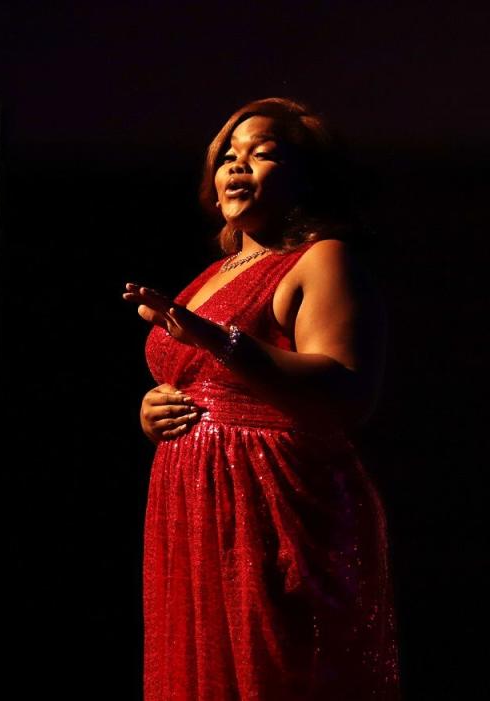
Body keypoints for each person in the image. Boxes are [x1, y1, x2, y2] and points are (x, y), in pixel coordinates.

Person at [122, 97, 400, 700]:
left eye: (263, 154)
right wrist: (155, 410)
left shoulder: (321, 259)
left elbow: (347, 389)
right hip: (192, 501)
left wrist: (221, 343)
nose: (238, 166)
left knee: (274, 671)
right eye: (229, 156)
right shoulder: (218, 271)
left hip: (272, 503)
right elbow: (203, 384)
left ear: (309, 178)